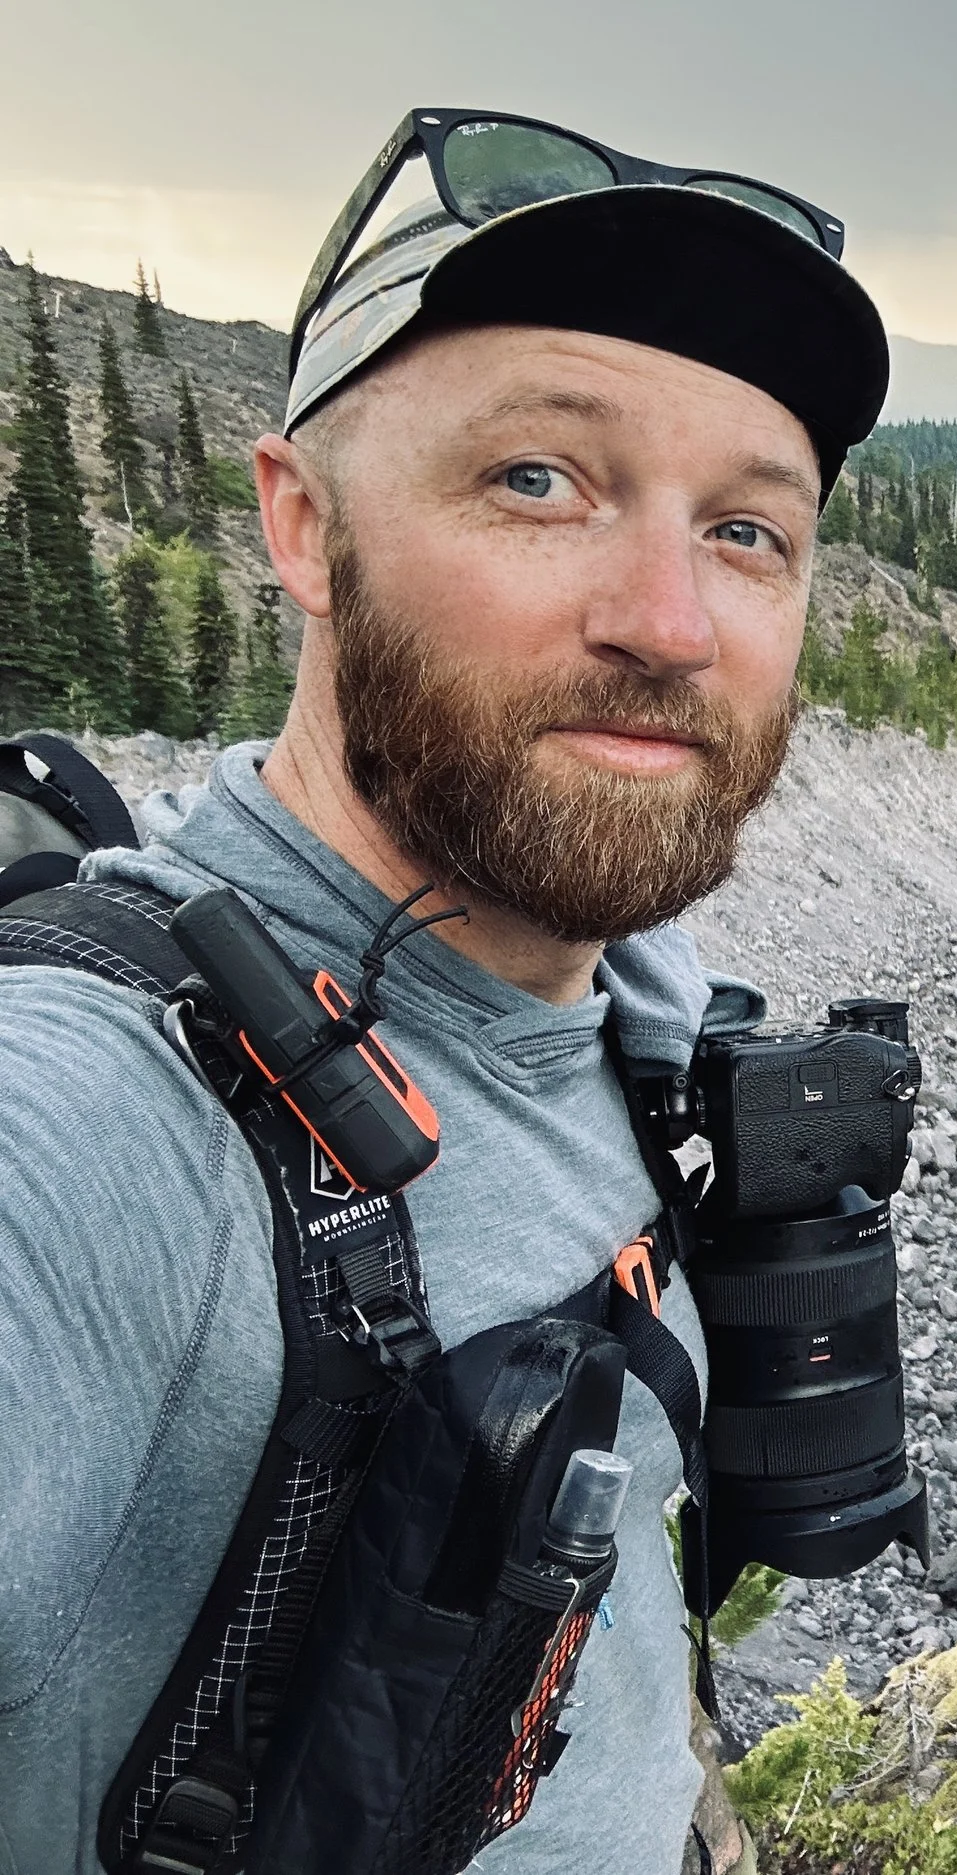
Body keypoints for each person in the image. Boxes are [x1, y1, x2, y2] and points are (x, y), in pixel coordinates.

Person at [0, 110, 889, 1873]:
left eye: (747, 531)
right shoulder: (107, 1109)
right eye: (538, 480)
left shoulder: (635, 990)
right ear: (304, 527)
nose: (670, 621)